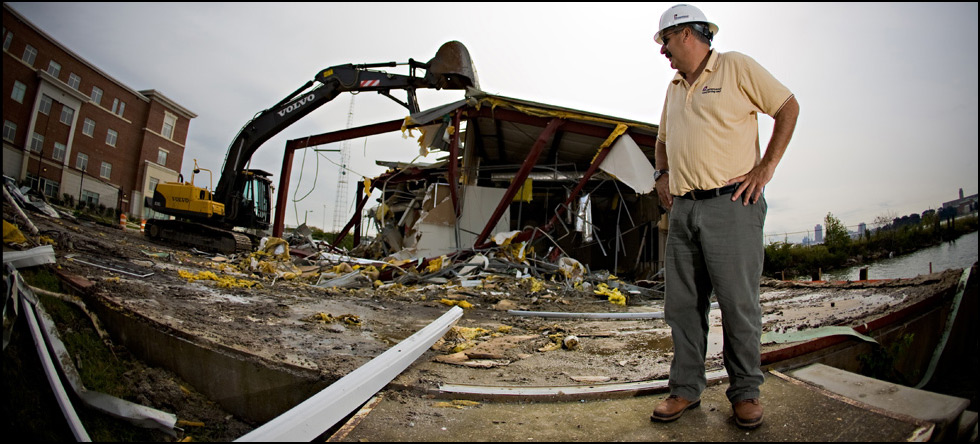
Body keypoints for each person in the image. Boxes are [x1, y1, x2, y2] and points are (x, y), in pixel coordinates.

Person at [648, 4, 800, 429]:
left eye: (666, 41)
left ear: (687, 34)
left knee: (738, 305)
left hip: (732, 205)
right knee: (682, 306)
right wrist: (662, 174)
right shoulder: (675, 87)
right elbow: (661, 140)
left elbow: (788, 106)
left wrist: (765, 169)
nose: (663, 51)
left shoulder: (735, 67)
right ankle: (685, 389)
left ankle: (746, 392)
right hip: (684, 210)